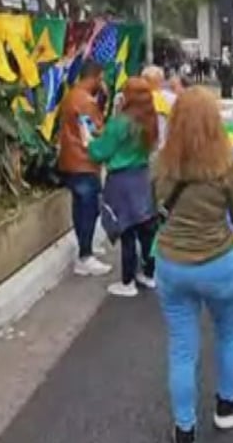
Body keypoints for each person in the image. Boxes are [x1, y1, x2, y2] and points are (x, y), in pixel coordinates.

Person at [154, 86, 233, 443]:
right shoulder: (226, 165)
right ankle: (228, 405)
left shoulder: (160, 163)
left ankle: (184, 429)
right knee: (230, 334)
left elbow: (156, 207)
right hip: (219, 264)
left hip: (171, 265)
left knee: (182, 348)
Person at [89, 78, 160, 297]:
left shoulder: (121, 122)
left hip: (122, 182)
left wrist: (87, 139)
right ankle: (148, 275)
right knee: (147, 230)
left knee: (127, 230)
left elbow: (99, 152)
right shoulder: (151, 120)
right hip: (143, 178)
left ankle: (127, 282)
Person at [56, 62, 113, 277]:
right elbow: (96, 132)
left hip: (71, 159)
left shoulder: (72, 95)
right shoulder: (87, 102)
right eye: (101, 79)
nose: (102, 83)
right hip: (84, 162)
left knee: (81, 208)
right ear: (96, 77)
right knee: (88, 209)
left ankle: (85, 247)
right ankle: (85, 256)